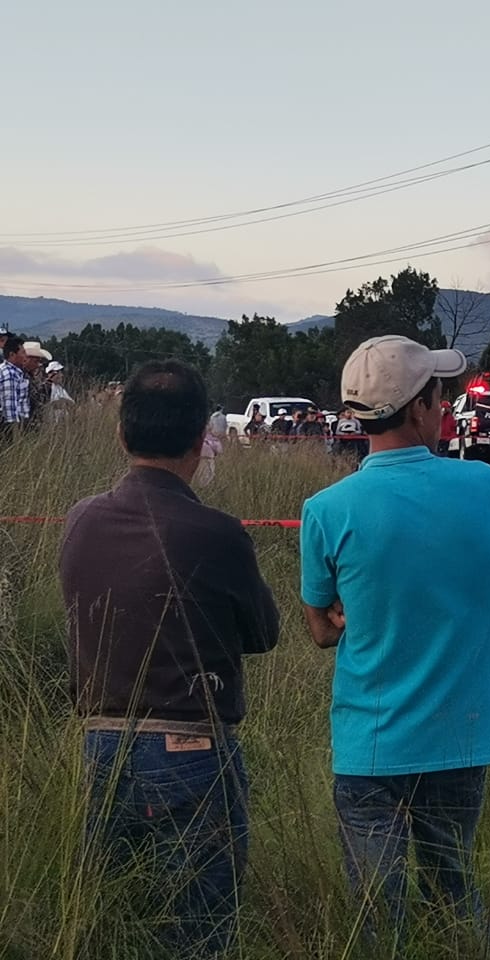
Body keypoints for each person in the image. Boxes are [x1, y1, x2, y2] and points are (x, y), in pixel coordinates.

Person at [59, 360, 280, 957]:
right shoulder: (218, 532)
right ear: (197, 440)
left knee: (111, 921)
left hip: (99, 744)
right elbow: (263, 632)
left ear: (122, 434)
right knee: (198, 932)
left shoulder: (80, 520)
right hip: (191, 746)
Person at [300, 336, 490, 952]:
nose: (444, 407)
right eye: (440, 395)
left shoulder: (327, 510)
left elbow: (320, 629)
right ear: (420, 407)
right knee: (455, 892)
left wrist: (348, 611)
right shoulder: (485, 487)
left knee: (377, 920)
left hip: (369, 744)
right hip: (461, 736)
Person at [0, 336, 31, 441]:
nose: (25, 356)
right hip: (7, 430)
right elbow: (9, 410)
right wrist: (15, 437)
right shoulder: (9, 374)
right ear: (12, 355)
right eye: (22, 353)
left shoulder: (15, 373)